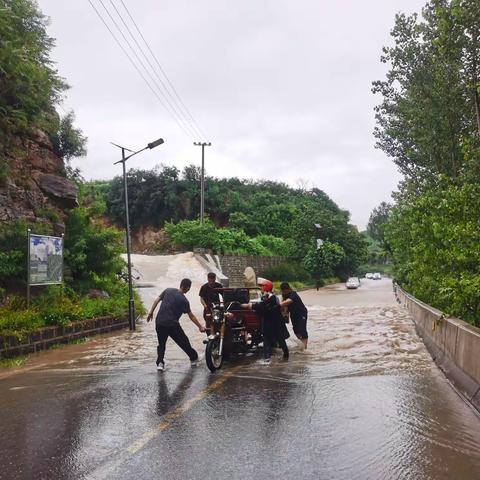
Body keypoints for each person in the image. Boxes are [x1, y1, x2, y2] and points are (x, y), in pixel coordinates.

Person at [147, 278, 205, 371]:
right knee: (184, 342)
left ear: (180, 285)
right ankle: (194, 358)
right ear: (188, 288)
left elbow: (157, 300)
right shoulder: (184, 301)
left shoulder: (168, 290)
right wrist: (200, 326)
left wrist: (151, 312)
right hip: (172, 324)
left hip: (159, 322)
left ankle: (160, 363)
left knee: (161, 343)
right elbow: (191, 316)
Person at [241, 279, 289, 364]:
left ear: (266, 287)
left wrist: (249, 305)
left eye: (262, 286)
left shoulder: (271, 297)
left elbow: (262, 306)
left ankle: (277, 358)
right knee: (269, 340)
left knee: (277, 340)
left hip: (274, 322)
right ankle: (270, 359)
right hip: (272, 322)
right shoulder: (269, 296)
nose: (261, 288)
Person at [279, 282, 309, 349]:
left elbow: (288, 302)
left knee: (302, 329)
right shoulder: (284, 296)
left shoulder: (293, 294)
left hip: (301, 313)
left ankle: (304, 347)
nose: (283, 292)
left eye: (284, 291)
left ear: (288, 289)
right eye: (282, 291)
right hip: (293, 314)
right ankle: (301, 342)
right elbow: (284, 308)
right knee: (296, 330)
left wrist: (277, 305)